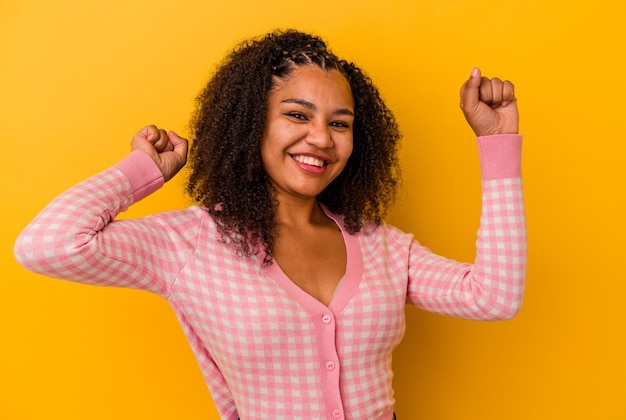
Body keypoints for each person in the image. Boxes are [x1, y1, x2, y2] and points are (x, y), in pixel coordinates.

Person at [14, 29, 526, 420]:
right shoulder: (190, 243)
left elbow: (495, 296)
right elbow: (45, 245)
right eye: (298, 115)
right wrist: (144, 171)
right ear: (250, 122)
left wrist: (498, 145)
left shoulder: (382, 245)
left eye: (340, 123)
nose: (322, 139)